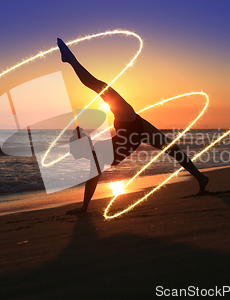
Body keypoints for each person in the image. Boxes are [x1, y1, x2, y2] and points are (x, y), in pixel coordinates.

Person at [57, 38, 209, 214]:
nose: (72, 151)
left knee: (98, 86)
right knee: (172, 149)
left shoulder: (96, 156)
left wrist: (84, 208)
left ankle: (70, 59)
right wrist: (84, 207)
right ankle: (200, 178)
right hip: (133, 126)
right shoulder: (96, 158)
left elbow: (92, 180)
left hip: (130, 125)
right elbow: (92, 182)